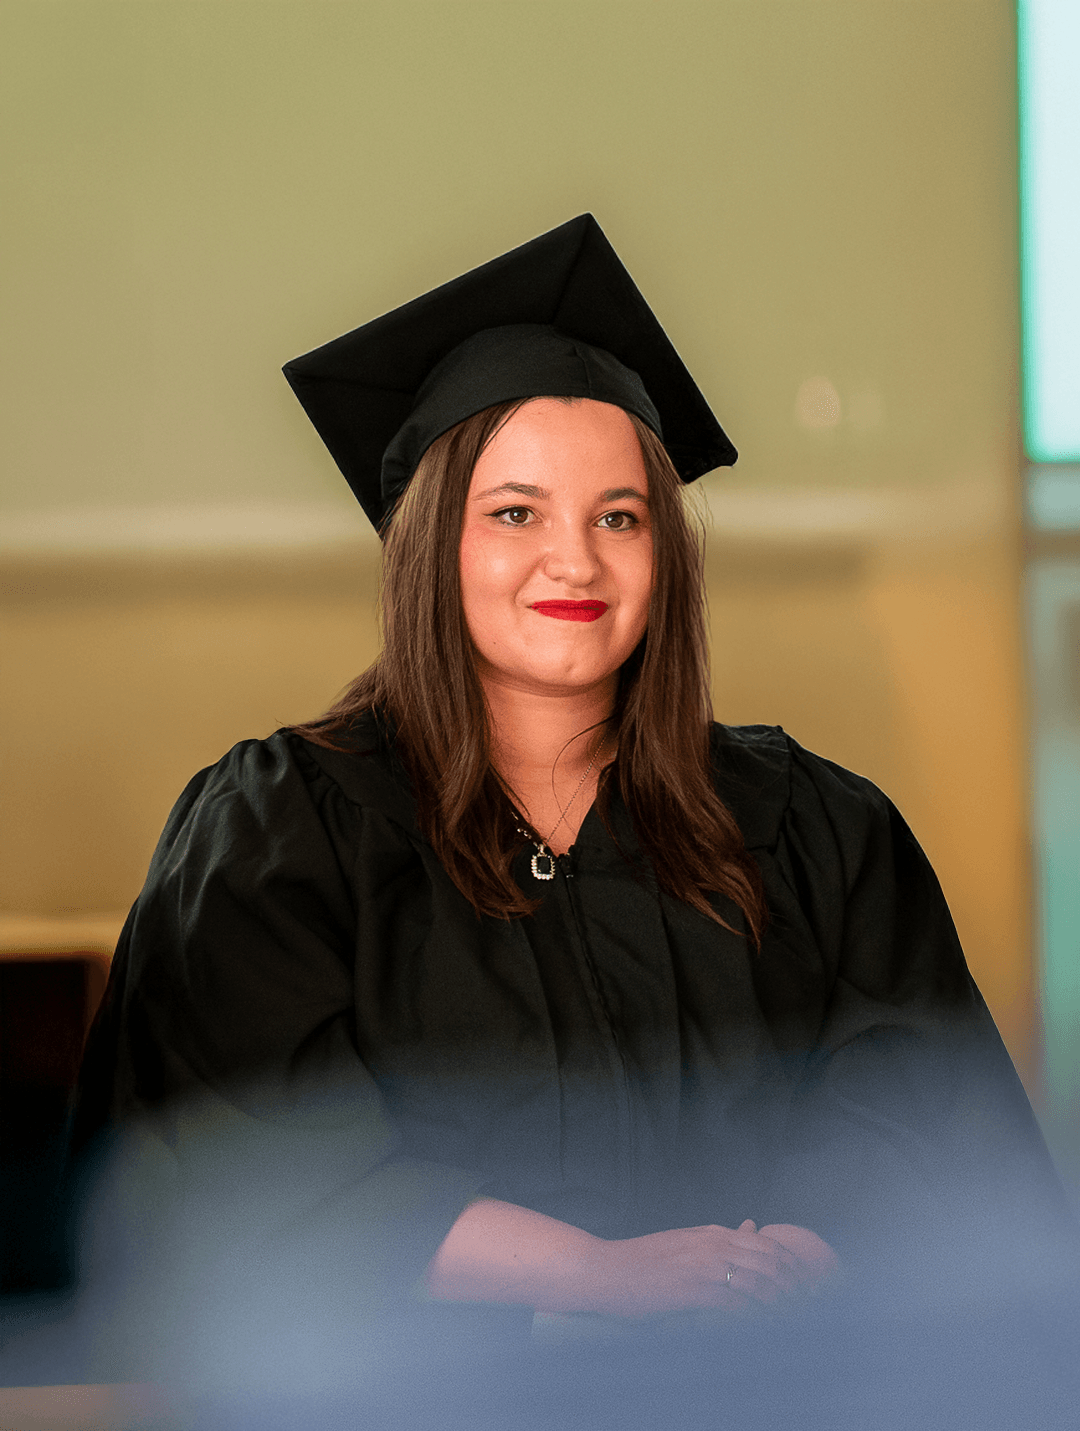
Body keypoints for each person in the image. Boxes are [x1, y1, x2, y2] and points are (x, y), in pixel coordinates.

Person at [67, 217, 1075, 1413]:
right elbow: (241, 1167)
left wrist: (795, 1261)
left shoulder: (815, 829)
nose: (576, 563)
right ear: (429, 543)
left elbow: (923, 1126)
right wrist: (603, 1276)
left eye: (619, 515)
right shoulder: (284, 833)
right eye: (515, 513)